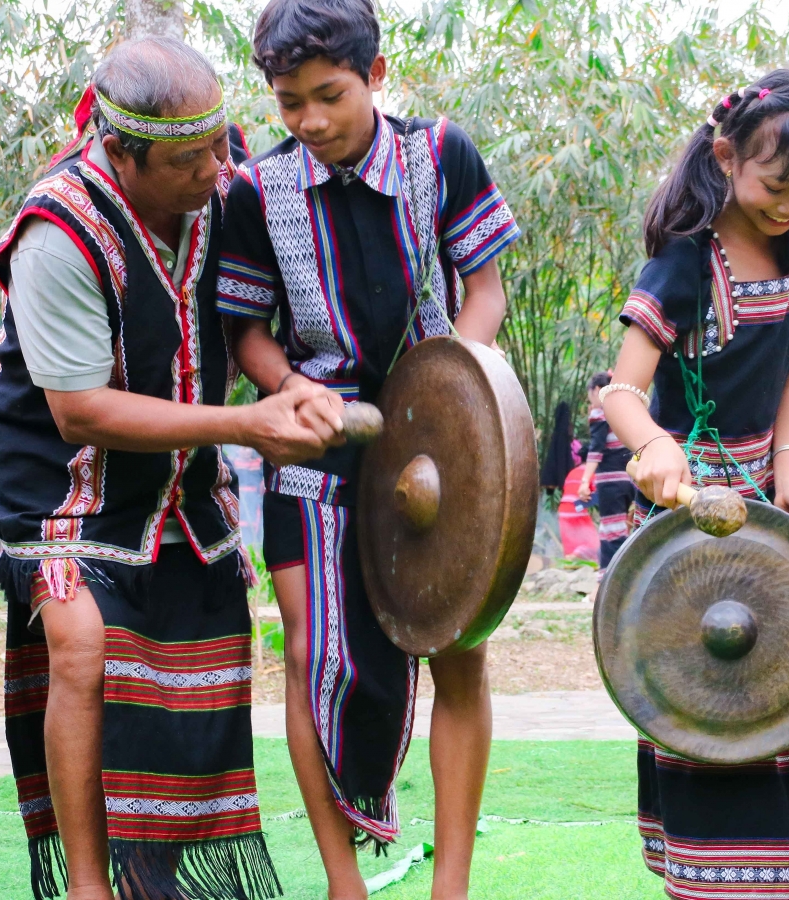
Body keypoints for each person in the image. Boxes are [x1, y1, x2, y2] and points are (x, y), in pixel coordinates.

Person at [0, 37, 342, 900]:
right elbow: (80, 410)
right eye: (189, 158)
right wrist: (247, 424)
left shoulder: (222, 175)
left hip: (179, 488)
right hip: (61, 485)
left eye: (221, 144)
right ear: (120, 151)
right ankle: (90, 887)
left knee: (194, 664)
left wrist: (289, 389)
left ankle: (154, 877)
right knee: (82, 645)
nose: (218, 171)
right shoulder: (58, 231)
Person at [216, 0, 521, 896]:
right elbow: (247, 331)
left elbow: (486, 288)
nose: (309, 120)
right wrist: (288, 388)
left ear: (377, 75)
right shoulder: (252, 190)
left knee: (461, 647)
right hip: (315, 447)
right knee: (315, 658)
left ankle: (450, 884)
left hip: (445, 441)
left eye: (329, 95)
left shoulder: (441, 154)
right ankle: (343, 884)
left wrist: (460, 396)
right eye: (287, 102)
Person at [602, 69, 789, 900]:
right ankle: (711, 881)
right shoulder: (684, 263)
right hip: (684, 510)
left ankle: (773, 880)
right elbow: (621, 391)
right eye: (777, 186)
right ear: (725, 156)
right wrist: (659, 447)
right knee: (707, 690)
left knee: (772, 694)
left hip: (759, 506)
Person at [578, 371, 637, 568]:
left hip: (610, 483)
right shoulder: (625, 411)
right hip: (628, 481)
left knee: (613, 533)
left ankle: (619, 579)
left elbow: (596, 449)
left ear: (596, 390)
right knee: (610, 530)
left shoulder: (600, 413)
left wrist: (585, 480)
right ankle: (603, 581)